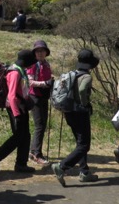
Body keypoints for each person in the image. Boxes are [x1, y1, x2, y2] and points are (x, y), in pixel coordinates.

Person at [52, 48, 100, 186]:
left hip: (68, 112)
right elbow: (83, 89)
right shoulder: (86, 76)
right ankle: (62, 167)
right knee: (84, 145)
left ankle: (84, 172)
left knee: (80, 143)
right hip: (80, 113)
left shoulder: (71, 74)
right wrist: (85, 104)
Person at [0, 49, 36, 175]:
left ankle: (21, 164)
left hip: (21, 107)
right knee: (18, 136)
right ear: (26, 62)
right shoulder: (15, 73)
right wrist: (17, 114)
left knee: (25, 136)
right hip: (16, 109)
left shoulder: (19, 70)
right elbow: (12, 95)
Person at [27, 39, 53, 165]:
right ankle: (36, 154)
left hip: (44, 97)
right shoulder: (32, 65)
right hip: (35, 97)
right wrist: (45, 83)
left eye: (42, 51)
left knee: (42, 125)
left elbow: (49, 78)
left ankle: (34, 152)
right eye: (37, 51)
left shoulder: (47, 64)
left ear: (46, 52)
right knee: (39, 126)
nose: (40, 53)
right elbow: (30, 82)